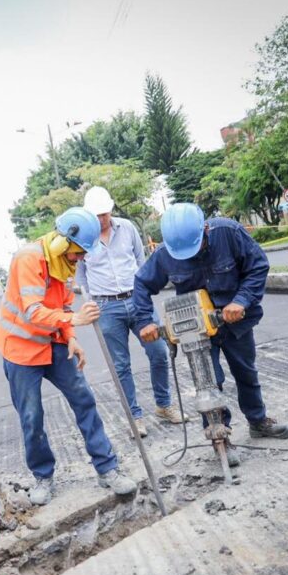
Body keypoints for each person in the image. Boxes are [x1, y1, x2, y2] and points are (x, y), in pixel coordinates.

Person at [132, 203, 288, 465]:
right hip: (197, 329)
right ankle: (220, 438)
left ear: (205, 229)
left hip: (235, 321)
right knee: (208, 382)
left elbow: (258, 266)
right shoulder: (164, 254)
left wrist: (241, 300)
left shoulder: (229, 233)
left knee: (246, 372)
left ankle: (257, 421)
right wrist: (144, 321)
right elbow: (141, 283)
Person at [0, 206, 137, 506]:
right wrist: (73, 321)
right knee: (31, 416)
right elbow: (33, 311)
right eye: (79, 252)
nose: (81, 258)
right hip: (21, 350)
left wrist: (71, 337)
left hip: (55, 342)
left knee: (84, 399)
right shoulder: (28, 259)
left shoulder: (65, 263)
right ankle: (43, 475)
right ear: (63, 242)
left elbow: (64, 307)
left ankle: (107, 467)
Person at [75, 186, 187, 437]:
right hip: (106, 307)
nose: (101, 219)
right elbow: (81, 276)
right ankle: (135, 417)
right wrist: (90, 303)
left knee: (159, 352)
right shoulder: (84, 239)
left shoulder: (127, 228)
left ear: (111, 209)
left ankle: (164, 405)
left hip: (136, 299)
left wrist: (143, 292)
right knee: (121, 365)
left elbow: (140, 261)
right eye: (96, 215)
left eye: (104, 213)